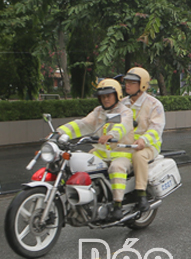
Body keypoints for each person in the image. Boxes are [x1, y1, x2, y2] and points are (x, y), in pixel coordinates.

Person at [57, 79, 134, 221]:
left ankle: (117, 205)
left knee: (116, 168)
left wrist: (111, 135)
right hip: (100, 152)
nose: (105, 99)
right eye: (102, 97)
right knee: (78, 164)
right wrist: (60, 133)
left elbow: (123, 126)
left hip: (121, 153)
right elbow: (83, 124)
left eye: (108, 96)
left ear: (117, 95)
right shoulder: (98, 112)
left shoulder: (125, 112)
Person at [121, 67, 166, 213]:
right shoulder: (121, 104)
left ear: (142, 85)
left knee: (138, 156)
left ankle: (141, 195)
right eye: (126, 81)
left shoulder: (154, 105)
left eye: (132, 82)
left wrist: (143, 140)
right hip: (124, 145)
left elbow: (156, 128)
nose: (127, 85)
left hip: (148, 147)